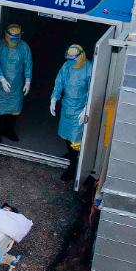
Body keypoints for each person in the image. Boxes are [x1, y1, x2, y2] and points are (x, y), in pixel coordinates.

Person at [51, 43, 93, 182]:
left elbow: (92, 89)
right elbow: (60, 82)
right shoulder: (67, 66)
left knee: (76, 140)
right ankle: (71, 155)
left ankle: (73, 168)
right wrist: (54, 98)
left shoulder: (89, 68)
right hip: (67, 106)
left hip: (80, 109)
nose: (71, 61)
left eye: (73, 58)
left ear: (80, 56)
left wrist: (87, 107)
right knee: (66, 135)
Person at [0, 24, 33, 143]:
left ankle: (8, 131)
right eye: (11, 38)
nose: (13, 41)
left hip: (17, 86)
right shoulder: (0, 46)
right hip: (0, 86)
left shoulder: (24, 47)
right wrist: (2, 79)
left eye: (16, 38)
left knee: (14, 110)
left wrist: (28, 81)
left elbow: (28, 64)